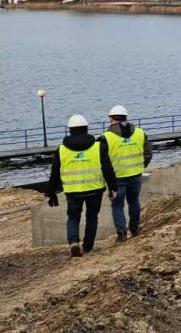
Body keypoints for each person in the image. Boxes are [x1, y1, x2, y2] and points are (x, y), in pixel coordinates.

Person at [46, 114, 116, 257]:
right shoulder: (98, 147)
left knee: (73, 217)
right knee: (92, 217)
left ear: (70, 130)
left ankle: (73, 242)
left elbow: (55, 173)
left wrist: (51, 192)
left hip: (73, 191)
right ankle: (88, 247)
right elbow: (107, 169)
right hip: (94, 189)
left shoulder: (62, 150)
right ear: (86, 128)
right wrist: (113, 187)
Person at [103, 105, 151, 241]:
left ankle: (122, 233)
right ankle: (134, 228)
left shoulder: (105, 138)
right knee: (134, 201)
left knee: (117, 205)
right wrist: (141, 166)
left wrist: (106, 177)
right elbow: (148, 153)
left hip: (116, 178)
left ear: (111, 119)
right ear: (126, 118)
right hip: (135, 175)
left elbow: (102, 161)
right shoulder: (140, 133)